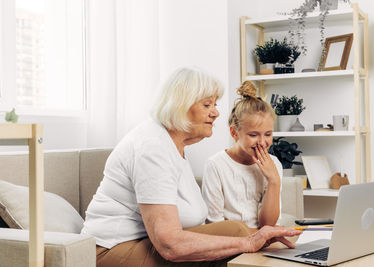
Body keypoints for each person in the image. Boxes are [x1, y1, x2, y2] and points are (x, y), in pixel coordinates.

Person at [81, 68, 301, 267]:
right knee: (237, 237)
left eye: (215, 104)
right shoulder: (152, 147)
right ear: (180, 106)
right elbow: (170, 245)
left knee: (236, 232)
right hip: (113, 248)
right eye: (207, 105)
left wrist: (252, 237)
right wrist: (248, 242)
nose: (215, 113)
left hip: (145, 242)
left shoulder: (175, 146)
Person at [202, 81, 282, 229]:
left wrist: (274, 181)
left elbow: (268, 224)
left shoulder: (274, 164)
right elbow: (214, 226)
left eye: (268, 134)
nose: (262, 142)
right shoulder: (216, 165)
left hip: (262, 240)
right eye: (253, 135)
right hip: (229, 244)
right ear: (234, 133)